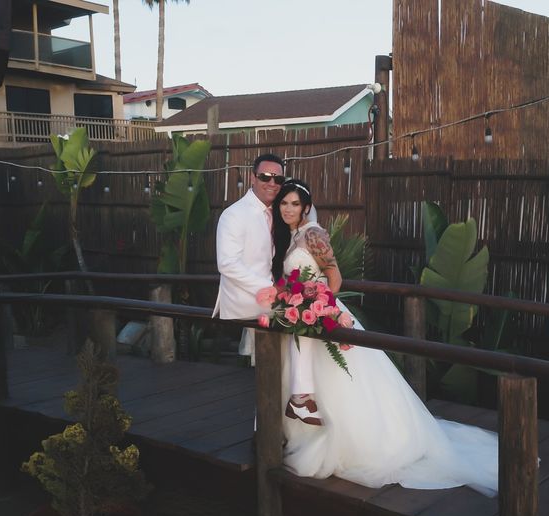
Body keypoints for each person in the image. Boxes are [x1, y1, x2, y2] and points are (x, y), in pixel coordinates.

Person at [270, 179, 499, 494]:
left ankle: (355, 444)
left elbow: (334, 277)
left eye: (294, 203)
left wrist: (319, 305)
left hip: (322, 314)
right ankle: (301, 427)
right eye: (284, 203)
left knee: (344, 382)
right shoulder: (292, 237)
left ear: (306, 207)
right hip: (302, 315)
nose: (288, 209)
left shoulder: (313, 234)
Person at [213, 153, 286, 363]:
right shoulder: (234, 214)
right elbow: (227, 264)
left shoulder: (282, 212)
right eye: (265, 177)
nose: (272, 183)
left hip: (275, 297)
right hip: (248, 298)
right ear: (253, 178)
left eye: (278, 179)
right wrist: (271, 289)